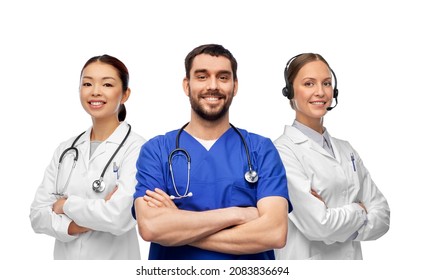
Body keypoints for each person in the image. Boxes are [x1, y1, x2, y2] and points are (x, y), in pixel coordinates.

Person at [133, 44, 292, 260]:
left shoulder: (260, 149)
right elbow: (151, 227)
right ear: (186, 85)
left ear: (235, 86)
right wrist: (240, 213)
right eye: (202, 77)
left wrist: (177, 225)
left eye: (223, 77)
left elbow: (274, 232)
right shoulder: (157, 150)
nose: (213, 86)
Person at [274, 53, 390, 260]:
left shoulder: (347, 150)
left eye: (326, 83)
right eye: (309, 83)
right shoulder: (282, 152)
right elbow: (319, 225)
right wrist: (359, 209)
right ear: (290, 91)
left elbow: (382, 216)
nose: (320, 92)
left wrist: (336, 220)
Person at [30, 54, 145, 259]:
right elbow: (38, 216)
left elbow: (119, 217)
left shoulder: (137, 148)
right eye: (87, 83)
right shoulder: (66, 149)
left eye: (107, 84)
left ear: (125, 94)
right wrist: (75, 226)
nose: (95, 92)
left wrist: (64, 205)